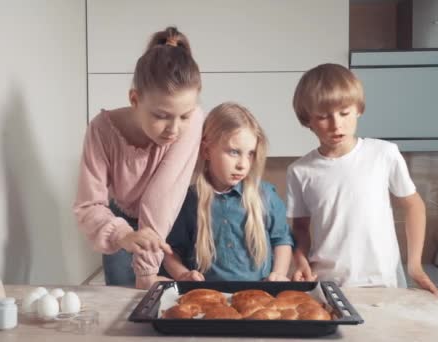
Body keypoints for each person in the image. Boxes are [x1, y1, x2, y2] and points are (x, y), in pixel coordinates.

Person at [286, 63, 438, 296]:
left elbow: (414, 206)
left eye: (344, 113)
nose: (337, 124)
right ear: (308, 120)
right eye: (323, 117)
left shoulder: (384, 153)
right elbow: (300, 227)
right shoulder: (300, 171)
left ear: (359, 109)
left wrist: (415, 265)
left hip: (383, 281)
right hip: (327, 284)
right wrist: (299, 258)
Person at [73, 27, 203, 289]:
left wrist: (146, 274)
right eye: (161, 116)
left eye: (184, 116)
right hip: (120, 222)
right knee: (120, 305)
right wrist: (123, 235)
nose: (174, 129)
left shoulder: (195, 121)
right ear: (134, 99)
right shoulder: (100, 129)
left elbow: (162, 199)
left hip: (171, 224)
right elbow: (88, 205)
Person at [162, 102, 294, 281]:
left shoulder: (266, 196)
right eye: (234, 152)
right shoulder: (189, 201)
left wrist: (278, 274)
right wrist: (183, 275)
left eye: (250, 154)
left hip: (260, 296)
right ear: (207, 150)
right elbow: (171, 251)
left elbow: (282, 240)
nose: (243, 164)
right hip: (209, 298)